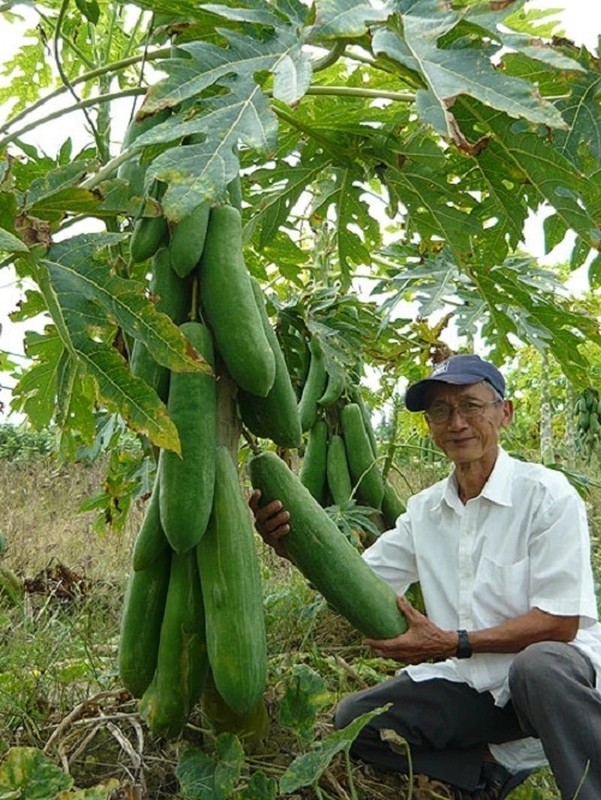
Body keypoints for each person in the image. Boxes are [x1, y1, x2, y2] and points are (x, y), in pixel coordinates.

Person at [250, 354, 601, 800]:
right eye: (440, 411)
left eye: (471, 406)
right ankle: (490, 769)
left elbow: (560, 623)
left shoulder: (547, 496)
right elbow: (359, 579)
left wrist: (452, 642)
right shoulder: (425, 512)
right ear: (431, 426)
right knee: (356, 722)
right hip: (475, 686)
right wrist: (293, 547)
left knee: (539, 666)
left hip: (555, 685)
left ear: (504, 413)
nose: (456, 422)